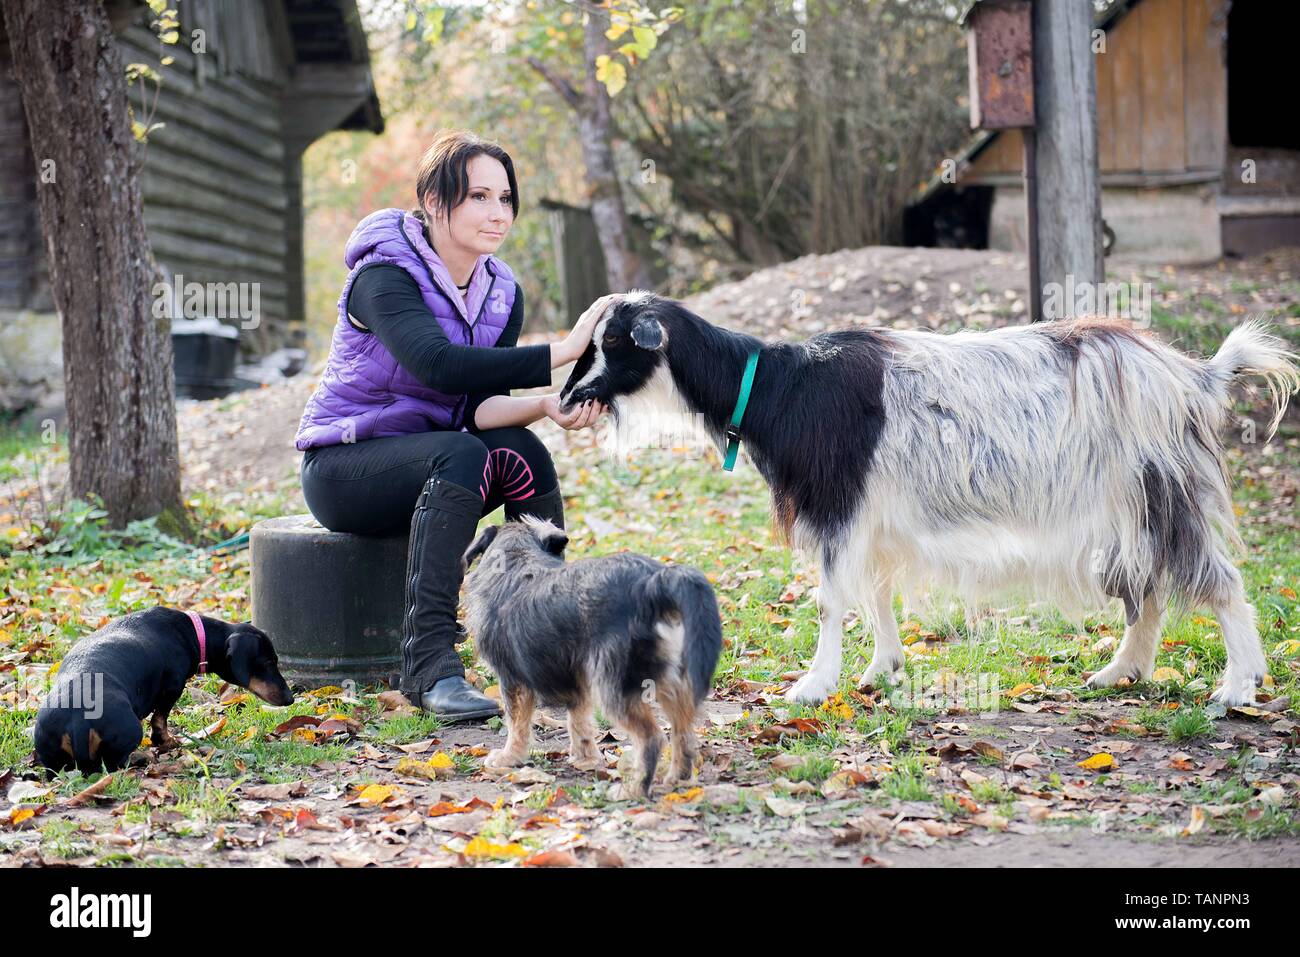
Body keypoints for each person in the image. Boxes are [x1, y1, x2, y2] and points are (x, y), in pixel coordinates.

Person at [295, 129, 614, 721]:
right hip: (345, 468)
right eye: (478, 198)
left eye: (505, 198)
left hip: (436, 461)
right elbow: (438, 367)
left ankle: (546, 647)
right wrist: (565, 349)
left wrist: (545, 404)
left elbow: (479, 406)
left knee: (522, 451)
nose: (497, 214)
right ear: (435, 202)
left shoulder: (500, 292)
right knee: (461, 454)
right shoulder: (383, 275)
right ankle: (431, 667)